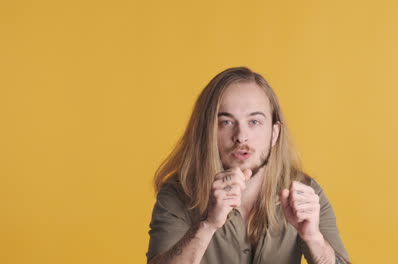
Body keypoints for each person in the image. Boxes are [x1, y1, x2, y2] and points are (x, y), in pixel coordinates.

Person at [146, 67, 350, 264]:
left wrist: (313, 237)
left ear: (274, 133)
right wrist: (207, 225)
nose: (241, 136)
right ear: (206, 132)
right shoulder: (177, 193)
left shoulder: (306, 192)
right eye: (226, 122)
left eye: (254, 122)